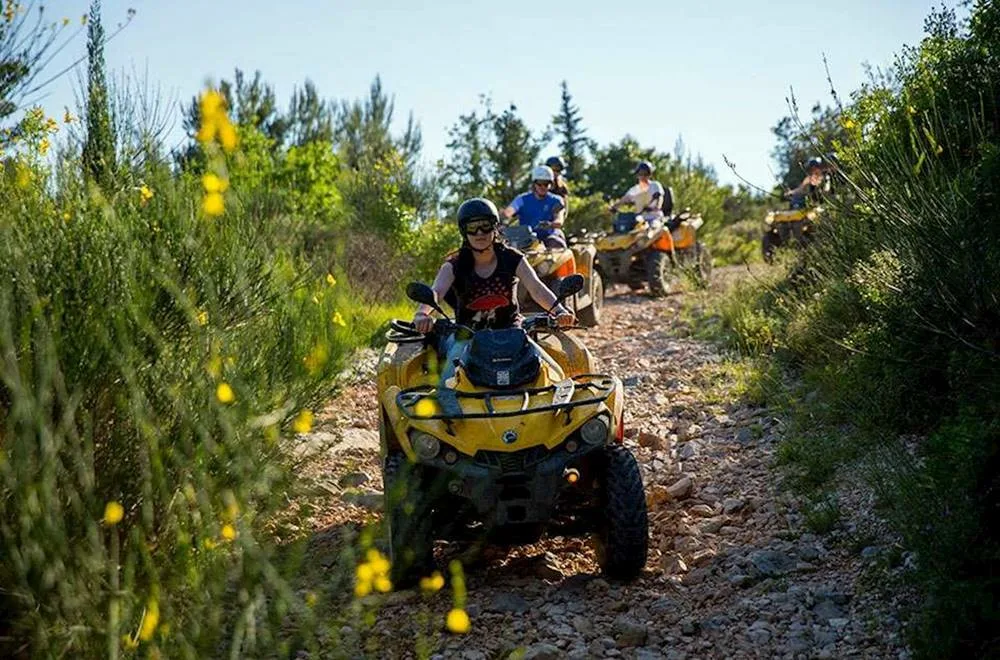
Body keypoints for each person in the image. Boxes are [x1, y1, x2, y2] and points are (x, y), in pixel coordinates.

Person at [413, 197, 574, 334]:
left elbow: (537, 289)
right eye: (472, 227)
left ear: (495, 228)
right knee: (449, 370)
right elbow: (436, 292)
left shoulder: (513, 258)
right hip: (466, 338)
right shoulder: (452, 265)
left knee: (543, 365)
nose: (480, 233)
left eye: (485, 225)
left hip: (512, 333)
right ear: (464, 231)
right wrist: (422, 314)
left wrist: (559, 311)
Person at [501, 165, 568, 248]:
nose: (543, 187)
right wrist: (504, 218)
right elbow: (509, 211)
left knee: (556, 243)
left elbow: (559, 220)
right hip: (525, 239)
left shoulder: (556, 200)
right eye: (539, 183)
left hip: (549, 238)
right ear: (534, 184)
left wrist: (550, 224)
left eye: (546, 184)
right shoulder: (522, 199)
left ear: (551, 184)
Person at [609, 161, 671, 227]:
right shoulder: (634, 189)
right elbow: (624, 200)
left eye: (646, 174)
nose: (643, 176)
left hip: (654, 217)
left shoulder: (655, 185)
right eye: (640, 174)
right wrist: (614, 207)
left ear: (650, 175)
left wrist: (655, 207)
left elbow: (659, 198)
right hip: (640, 219)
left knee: (653, 228)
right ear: (637, 175)